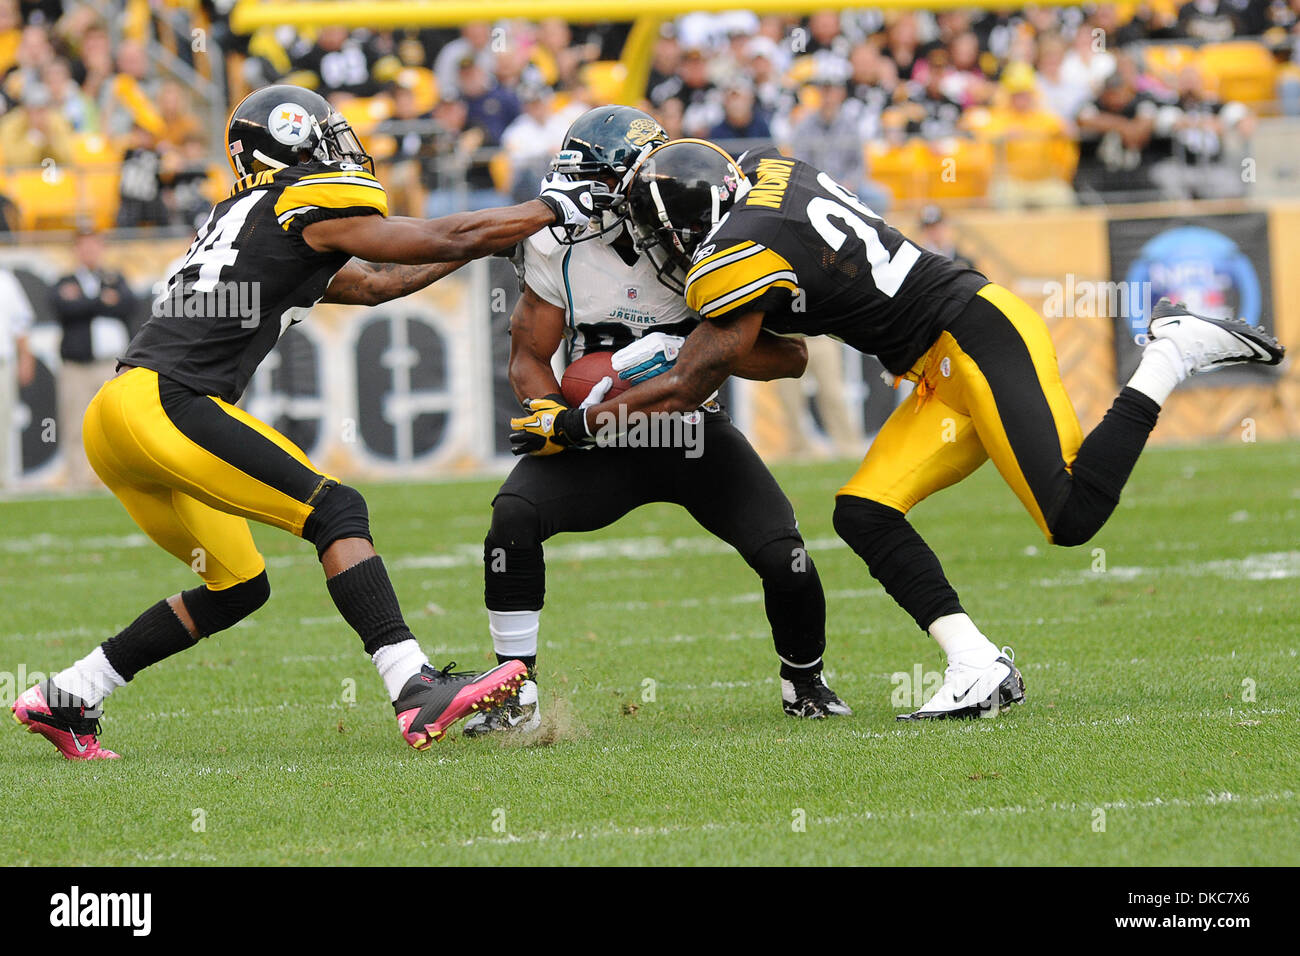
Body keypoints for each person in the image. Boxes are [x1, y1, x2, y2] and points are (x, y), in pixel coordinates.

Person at [515, 138, 1285, 721]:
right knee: (863, 510)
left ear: (690, 223)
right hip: (933, 370)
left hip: (976, 337)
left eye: (661, 235)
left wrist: (581, 426)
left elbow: (694, 379)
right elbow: (782, 355)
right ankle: (975, 662)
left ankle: (1171, 351)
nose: (661, 253)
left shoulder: (729, 252)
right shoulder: (766, 170)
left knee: (1071, 516)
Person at [10, 84, 606, 760]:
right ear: (291, 143)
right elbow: (439, 233)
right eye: (325, 135)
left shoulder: (245, 213)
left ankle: (69, 695)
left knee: (237, 584)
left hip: (118, 418)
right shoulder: (303, 201)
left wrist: (486, 243)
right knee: (337, 511)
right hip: (165, 401)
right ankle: (413, 687)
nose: (339, 148)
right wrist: (548, 208)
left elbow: (380, 282)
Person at [474, 107, 846, 736]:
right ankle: (515, 696)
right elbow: (529, 356)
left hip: (689, 428)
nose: (577, 197)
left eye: (590, 181)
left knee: (787, 559)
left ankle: (804, 682)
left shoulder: (708, 229)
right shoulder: (556, 244)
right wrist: (557, 417)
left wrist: (683, 357)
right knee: (512, 518)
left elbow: (790, 355)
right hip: (597, 434)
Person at [53, 224, 136, 490]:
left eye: (94, 244)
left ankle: (115, 482)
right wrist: (101, 301)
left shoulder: (115, 277)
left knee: (115, 426)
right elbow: (63, 308)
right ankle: (78, 482)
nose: (89, 250)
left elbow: (128, 305)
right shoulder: (65, 281)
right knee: (75, 423)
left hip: (110, 366)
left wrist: (85, 302)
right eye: (84, 245)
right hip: (77, 366)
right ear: (76, 250)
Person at [0, 265, 35, 490]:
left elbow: (19, 324)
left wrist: (25, 357)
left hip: (2, 363)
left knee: (2, 425)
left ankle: (2, 480)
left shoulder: (5, 280)